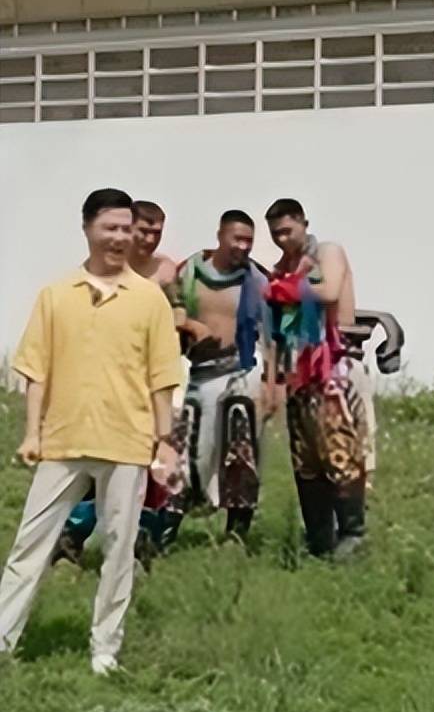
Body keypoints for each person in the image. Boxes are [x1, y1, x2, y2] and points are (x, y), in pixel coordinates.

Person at [0, 188, 181, 674]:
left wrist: (165, 442)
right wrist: (32, 433)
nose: (120, 238)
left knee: (118, 549)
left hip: (127, 441)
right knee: (29, 546)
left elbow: (163, 377)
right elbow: (36, 371)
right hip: (62, 439)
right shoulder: (56, 295)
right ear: (87, 229)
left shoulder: (149, 299)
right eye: (110, 228)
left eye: (126, 229)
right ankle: (3, 638)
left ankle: (105, 648)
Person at [54, 198, 181, 563]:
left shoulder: (165, 271)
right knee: (95, 456)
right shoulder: (103, 270)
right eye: (143, 230)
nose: (150, 239)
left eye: (157, 232)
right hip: (106, 378)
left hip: (151, 376)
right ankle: (71, 537)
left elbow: (177, 316)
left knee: (150, 460)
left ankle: (142, 541)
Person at [264, 198, 369, 559]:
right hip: (299, 370)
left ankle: (353, 533)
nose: (282, 239)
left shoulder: (326, 253)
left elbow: (329, 291)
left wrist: (285, 289)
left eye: (287, 231)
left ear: (303, 224)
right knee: (306, 462)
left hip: (334, 365)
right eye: (275, 234)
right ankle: (319, 539)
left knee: (340, 451)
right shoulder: (283, 267)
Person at [162, 210, 272, 543]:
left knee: (242, 453)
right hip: (197, 374)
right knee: (183, 454)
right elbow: (167, 313)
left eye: (249, 240)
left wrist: (273, 383)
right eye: (237, 238)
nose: (243, 246)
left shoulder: (257, 280)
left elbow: (273, 334)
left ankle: (236, 534)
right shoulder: (190, 272)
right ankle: (163, 532)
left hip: (242, 370)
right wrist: (191, 326)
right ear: (221, 236)